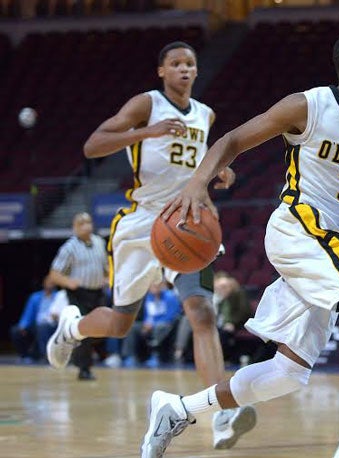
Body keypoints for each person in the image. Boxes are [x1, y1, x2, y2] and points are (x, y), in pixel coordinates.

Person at [140, 30, 339, 458]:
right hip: (299, 224)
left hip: (329, 235)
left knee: (287, 373)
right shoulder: (308, 105)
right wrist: (196, 185)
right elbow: (232, 141)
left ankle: (176, 409)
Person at [45, 41, 256, 448]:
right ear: (161, 70)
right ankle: (71, 329)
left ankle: (221, 413)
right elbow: (93, 145)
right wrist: (146, 132)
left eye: (190, 64)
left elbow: (196, 164)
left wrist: (218, 172)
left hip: (189, 219)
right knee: (120, 323)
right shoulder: (147, 104)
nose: (184, 70)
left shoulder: (205, 114)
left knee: (203, 312)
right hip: (143, 223)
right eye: (176, 64)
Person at [48, 212, 108, 380]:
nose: (86, 226)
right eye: (81, 223)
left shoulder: (99, 242)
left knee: (102, 328)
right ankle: (84, 368)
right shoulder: (69, 247)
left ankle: (81, 355)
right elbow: (54, 273)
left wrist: (108, 277)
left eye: (88, 222)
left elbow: (106, 268)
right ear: (74, 227)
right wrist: (68, 282)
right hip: (78, 293)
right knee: (84, 331)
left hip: (98, 292)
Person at [10, 275, 57, 362]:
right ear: (44, 283)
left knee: (43, 328)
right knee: (16, 330)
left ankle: (46, 356)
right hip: (36, 325)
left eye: (52, 282)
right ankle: (25, 356)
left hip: (52, 325)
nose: (50, 284)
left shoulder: (59, 296)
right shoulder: (35, 297)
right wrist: (23, 326)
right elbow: (28, 313)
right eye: (48, 282)